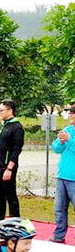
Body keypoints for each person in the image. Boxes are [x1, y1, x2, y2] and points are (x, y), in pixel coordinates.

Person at [0, 100, 24, 222]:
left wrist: (9, 169)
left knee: (10, 196)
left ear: (10, 110)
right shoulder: (0, 126)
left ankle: (15, 222)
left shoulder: (17, 127)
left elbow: (16, 150)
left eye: (1, 110)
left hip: (7, 167)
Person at [50, 103, 75, 243]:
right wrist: (60, 141)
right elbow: (56, 148)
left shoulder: (69, 135)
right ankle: (59, 236)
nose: (70, 115)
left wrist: (69, 140)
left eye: (73, 113)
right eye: (70, 112)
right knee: (59, 209)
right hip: (62, 176)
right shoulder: (67, 130)